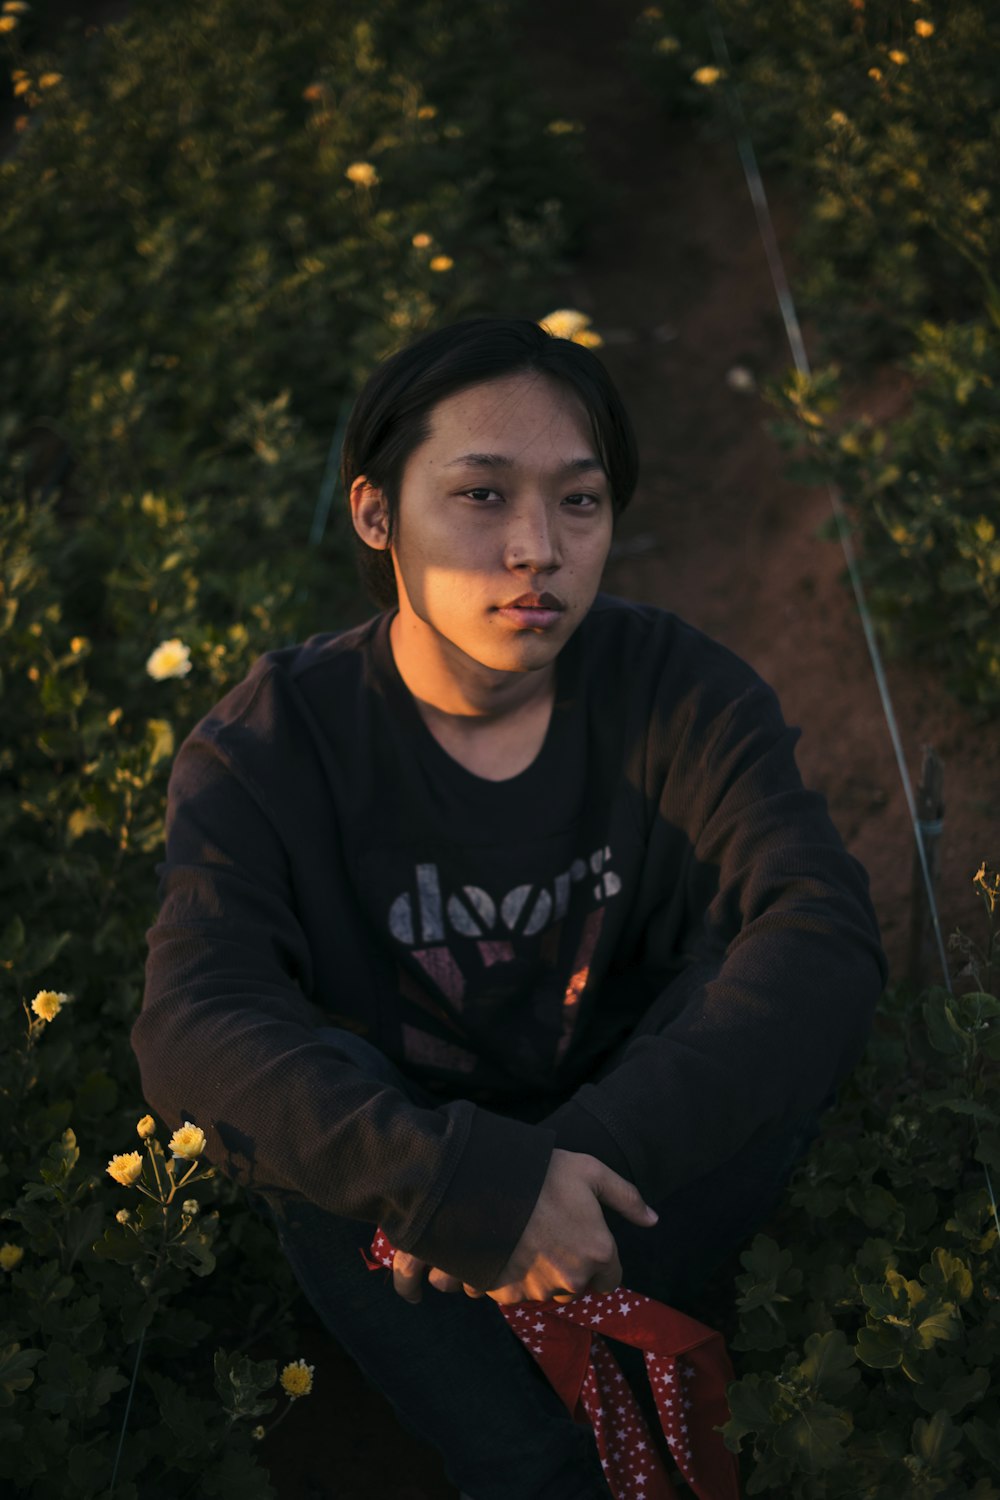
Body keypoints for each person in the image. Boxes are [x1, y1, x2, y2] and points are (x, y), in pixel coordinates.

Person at [132, 315, 887, 1499]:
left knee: (751, 975)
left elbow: (819, 929)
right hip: (409, 1219)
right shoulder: (275, 743)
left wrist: (565, 1173)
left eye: (578, 503)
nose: (536, 547)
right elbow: (192, 1022)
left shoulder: (671, 689)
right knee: (516, 1448)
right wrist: (462, 1188)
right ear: (377, 513)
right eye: (481, 495)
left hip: (641, 1170)